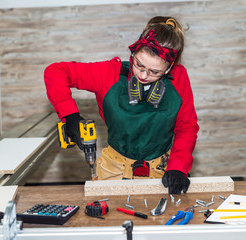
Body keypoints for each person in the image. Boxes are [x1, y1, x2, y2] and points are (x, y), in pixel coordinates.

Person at [44, 16, 199, 194]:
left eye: (155, 72)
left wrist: (178, 167)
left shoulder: (179, 79)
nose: (143, 75)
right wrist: (70, 114)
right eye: (138, 64)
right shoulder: (109, 74)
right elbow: (55, 72)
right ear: (133, 52)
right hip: (113, 170)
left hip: (162, 171)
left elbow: (187, 127)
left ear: (169, 68)